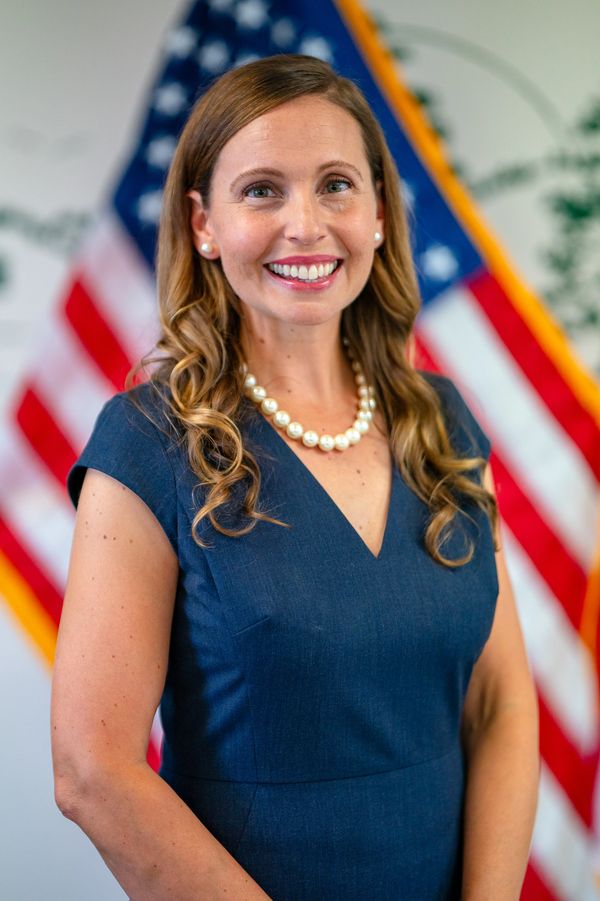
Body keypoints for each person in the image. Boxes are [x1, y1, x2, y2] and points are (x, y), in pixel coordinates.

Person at [51, 54, 539, 900]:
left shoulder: (442, 421)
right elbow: (92, 771)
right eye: (263, 190)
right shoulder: (146, 444)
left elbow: (500, 702)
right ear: (204, 223)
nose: (305, 225)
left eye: (336, 185)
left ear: (379, 214)